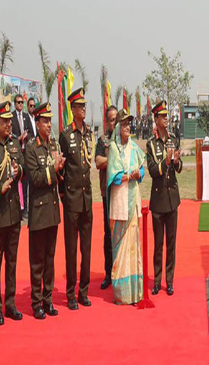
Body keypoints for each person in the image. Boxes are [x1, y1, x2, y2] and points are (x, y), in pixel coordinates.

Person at [25, 102, 64, 319]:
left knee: (50, 258)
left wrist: (61, 169)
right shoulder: (32, 147)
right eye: (45, 121)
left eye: (50, 121)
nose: (49, 125)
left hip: (52, 210)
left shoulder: (53, 145)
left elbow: (56, 177)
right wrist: (54, 168)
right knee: (37, 259)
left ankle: (48, 299)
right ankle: (36, 301)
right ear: (37, 122)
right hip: (39, 211)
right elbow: (37, 179)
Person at [0, 101, 25, 325]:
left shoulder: (14, 145)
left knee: (12, 261)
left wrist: (19, 171)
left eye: (11, 121)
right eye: (6, 121)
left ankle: (10, 303)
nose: (10, 125)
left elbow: (21, 169)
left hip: (14, 212)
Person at [58, 88, 93, 309]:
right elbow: (61, 170)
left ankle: (84, 291)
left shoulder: (88, 133)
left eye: (84, 105)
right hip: (71, 198)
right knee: (71, 248)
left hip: (87, 198)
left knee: (86, 248)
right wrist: (63, 195)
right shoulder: (65, 135)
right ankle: (70, 293)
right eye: (80, 106)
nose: (83, 109)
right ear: (72, 109)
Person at [107, 109, 145, 304]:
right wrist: (126, 176)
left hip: (133, 198)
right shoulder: (113, 148)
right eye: (124, 125)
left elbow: (143, 168)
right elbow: (112, 176)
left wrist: (139, 174)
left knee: (134, 244)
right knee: (119, 243)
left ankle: (135, 291)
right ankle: (122, 292)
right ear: (118, 128)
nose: (128, 127)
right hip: (120, 199)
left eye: (129, 124)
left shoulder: (135, 148)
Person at [146, 100, 182, 296]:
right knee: (158, 243)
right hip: (158, 200)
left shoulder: (173, 139)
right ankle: (157, 280)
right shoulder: (151, 144)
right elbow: (152, 170)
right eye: (163, 116)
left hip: (172, 198)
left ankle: (169, 281)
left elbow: (178, 168)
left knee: (171, 242)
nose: (167, 119)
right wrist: (165, 161)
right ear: (156, 119)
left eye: (167, 116)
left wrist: (176, 161)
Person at [95, 106, 118, 290]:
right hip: (107, 192)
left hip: (122, 190)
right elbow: (98, 162)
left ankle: (121, 271)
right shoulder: (103, 140)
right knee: (108, 233)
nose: (114, 123)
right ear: (106, 122)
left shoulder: (124, 138)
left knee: (121, 231)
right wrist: (114, 159)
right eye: (111, 119)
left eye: (117, 119)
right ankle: (108, 273)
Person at [11, 94, 33, 220]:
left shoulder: (26, 117)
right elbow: (11, 134)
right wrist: (19, 138)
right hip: (16, 153)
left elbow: (30, 132)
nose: (20, 104)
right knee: (16, 182)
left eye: (21, 102)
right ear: (15, 104)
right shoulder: (12, 117)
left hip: (25, 153)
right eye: (18, 102)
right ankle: (18, 209)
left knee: (25, 182)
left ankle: (24, 208)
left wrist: (27, 138)